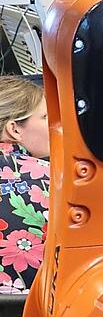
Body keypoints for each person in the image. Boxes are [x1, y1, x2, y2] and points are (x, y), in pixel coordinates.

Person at [0, 76, 49, 295]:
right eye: (45, 117)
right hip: (42, 310)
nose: (56, 125)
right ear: (15, 129)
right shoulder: (54, 180)